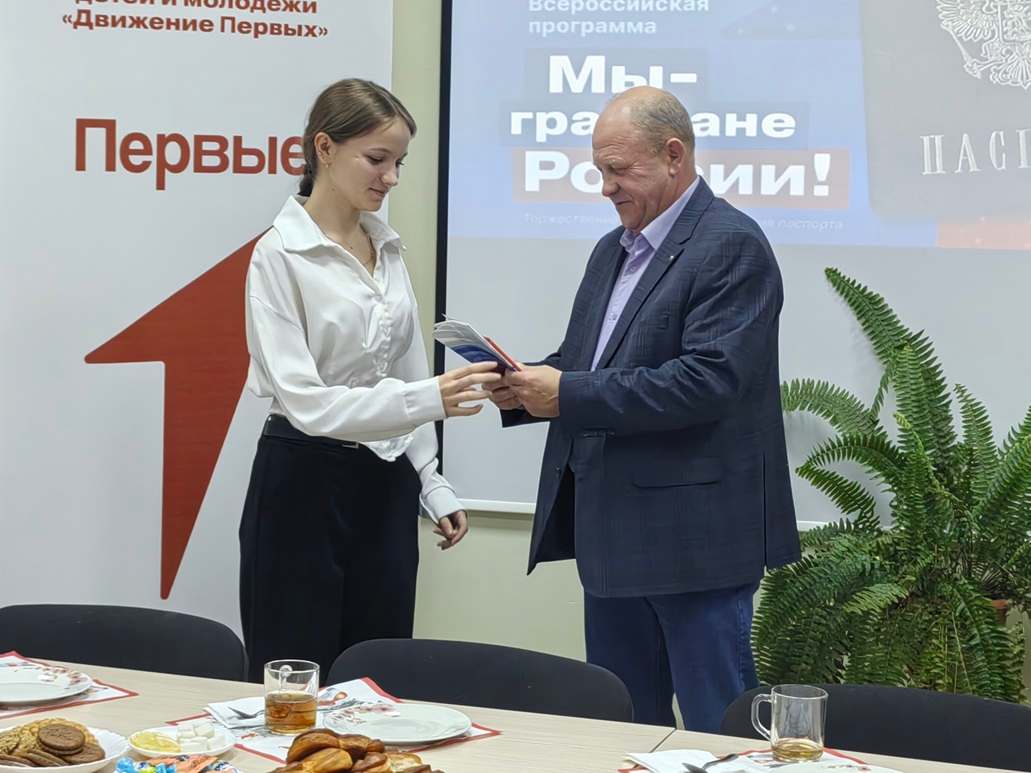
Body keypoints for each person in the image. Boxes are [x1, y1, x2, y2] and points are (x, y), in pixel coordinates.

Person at [488, 86, 801, 730]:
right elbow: (588, 361)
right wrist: (520, 385)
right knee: (622, 731)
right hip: (611, 538)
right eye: (599, 170)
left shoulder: (731, 243)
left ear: (674, 156)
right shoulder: (612, 249)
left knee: (721, 731)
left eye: (618, 169)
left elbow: (707, 381)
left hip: (694, 542)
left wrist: (565, 393)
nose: (605, 187)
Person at [239, 79, 499, 682]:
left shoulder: (386, 247)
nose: (392, 177)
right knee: (295, 677)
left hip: (386, 483)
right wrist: (427, 399)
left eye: (399, 162)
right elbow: (307, 404)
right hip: (302, 480)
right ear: (324, 148)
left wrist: (430, 482)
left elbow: (405, 364)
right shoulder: (278, 254)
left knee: (376, 675)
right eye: (377, 159)